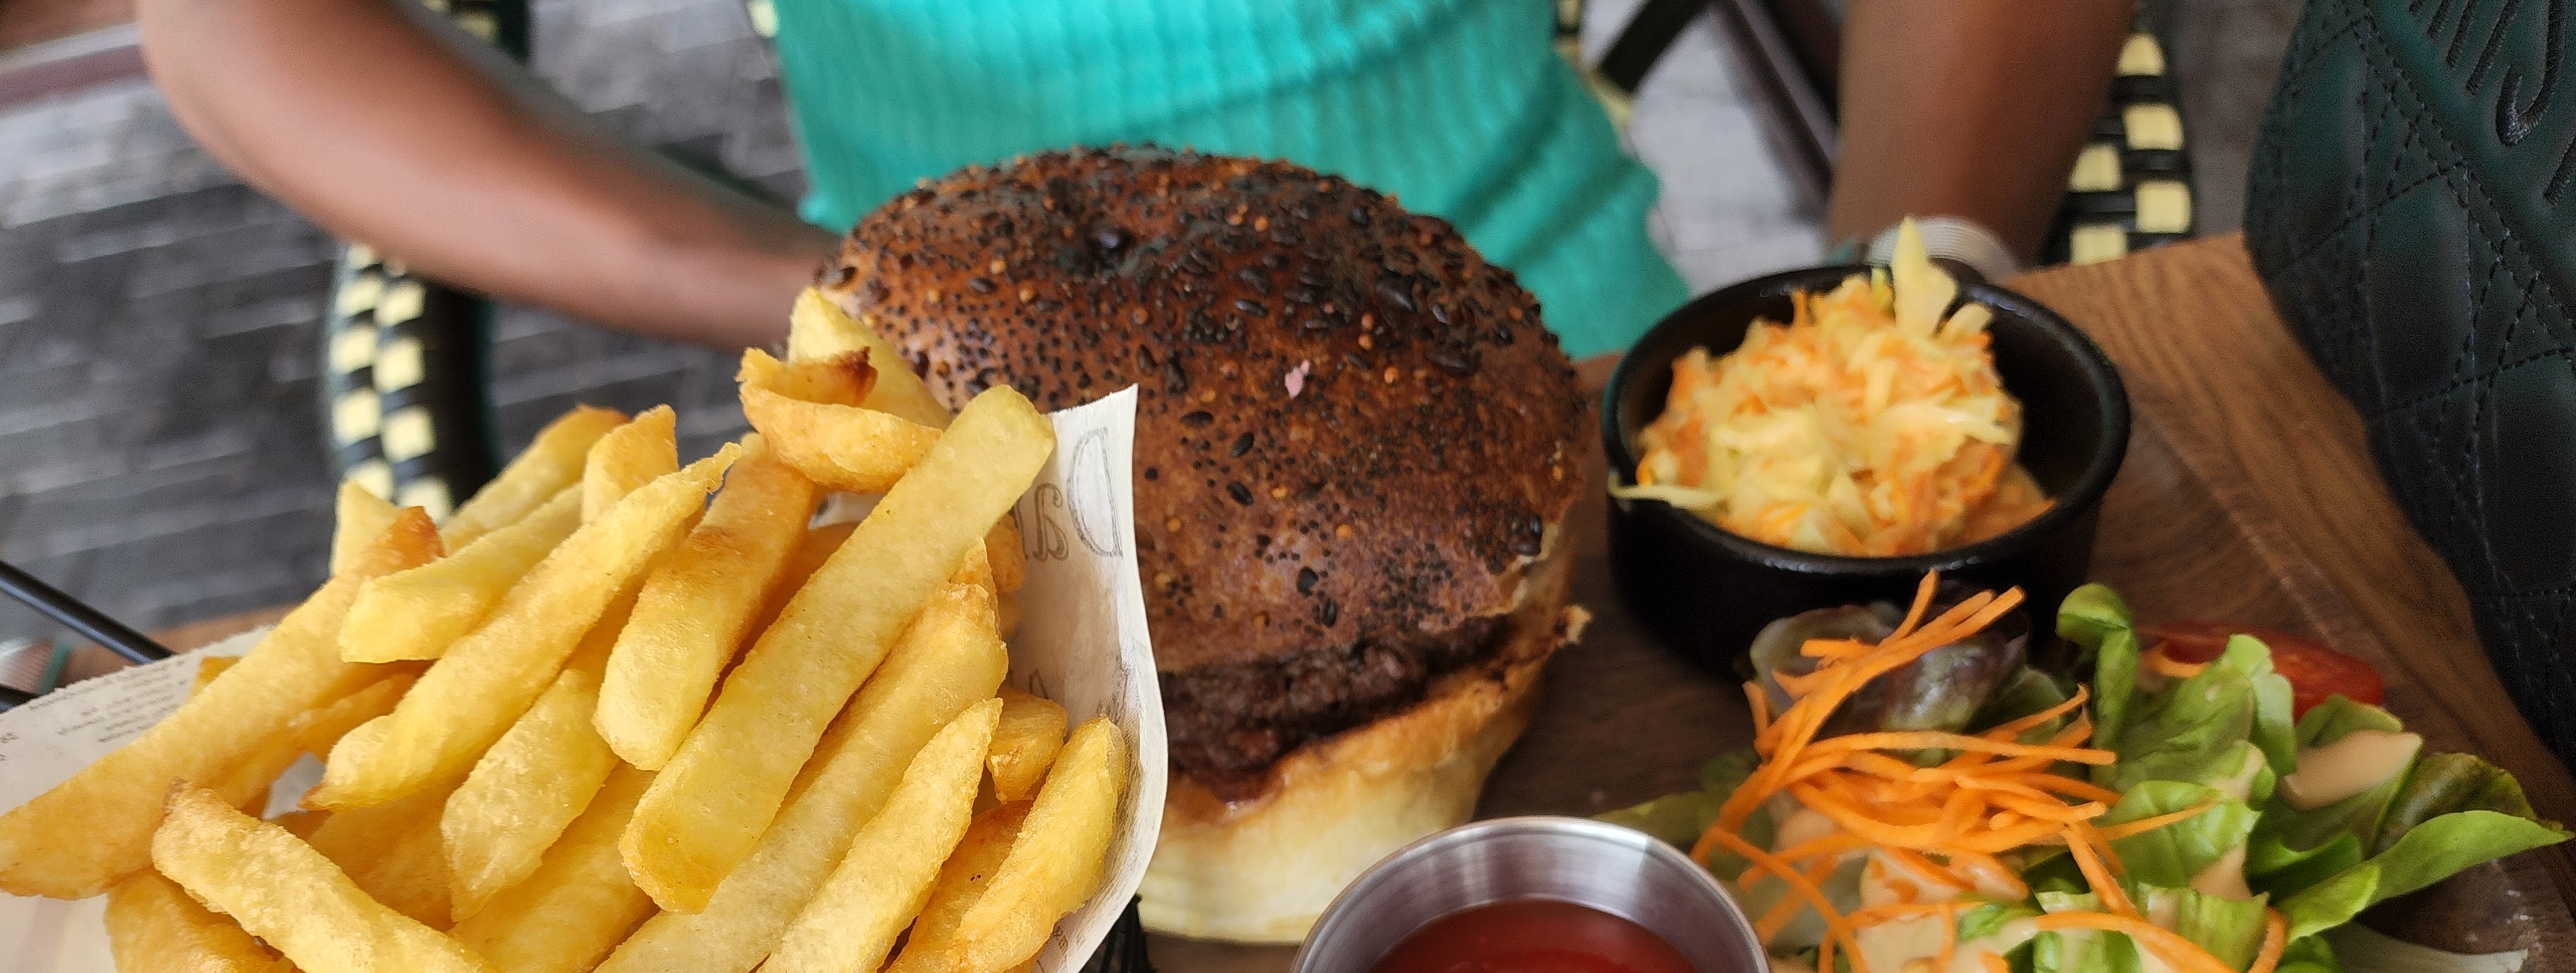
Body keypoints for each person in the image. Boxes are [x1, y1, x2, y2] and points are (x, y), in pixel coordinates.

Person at [133, 0, 2131, 359]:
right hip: (972, 425)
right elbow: (231, 29)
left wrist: (1905, 320)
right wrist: (823, 294)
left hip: (1576, 364)